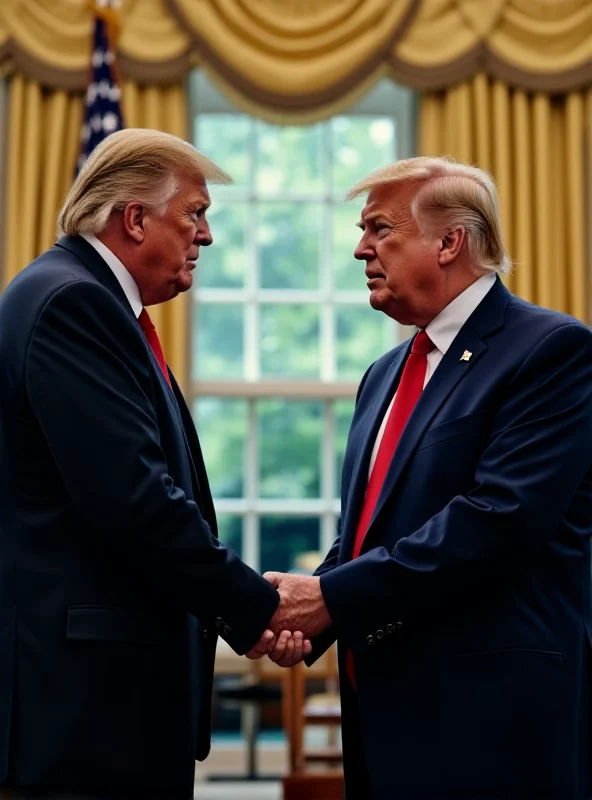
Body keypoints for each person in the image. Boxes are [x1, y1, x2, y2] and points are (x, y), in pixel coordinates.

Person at [265, 156, 592, 799]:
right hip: (382, 717)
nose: (360, 249)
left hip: (491, 721)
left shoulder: (552, 350)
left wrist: (328, 599)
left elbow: (498, 522)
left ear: (449, 242)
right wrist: (307, 614)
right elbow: (368, 533)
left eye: (379, 229)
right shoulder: (383, 375)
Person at [0, 128, 308, 800]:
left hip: (98, 704)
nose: (207, 236)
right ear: (135, 218)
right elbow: (135, 501)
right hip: (86, 710)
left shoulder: (83, 299)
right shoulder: (73, 304)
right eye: (195, 214)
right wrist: (257, 608)